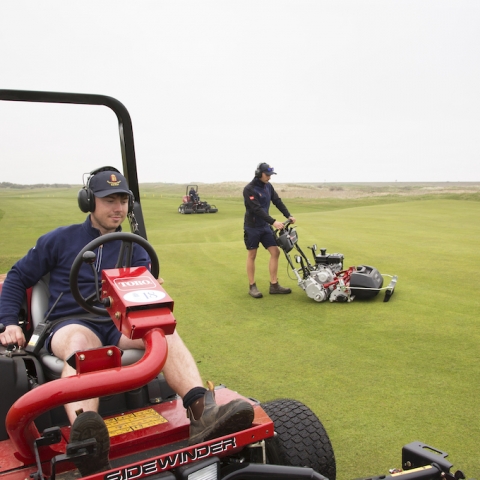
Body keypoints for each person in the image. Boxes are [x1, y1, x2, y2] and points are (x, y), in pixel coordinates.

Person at [0, 167, 254, 476]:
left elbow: (141, 293)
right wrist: (9, 322)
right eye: (109, 200)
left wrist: (153, 291)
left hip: (118, 321)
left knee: (163, 333)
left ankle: (201, 411)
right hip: (71, 321)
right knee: (84, 345)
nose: (117, 207)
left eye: (122, 200)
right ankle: (88, 440)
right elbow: (16, 277)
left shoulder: (133, 247)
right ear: (89, 201)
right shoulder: (60, 239)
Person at [243, 162, 296, 298]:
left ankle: (274, 285)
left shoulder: (268, 186)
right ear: (259, 174)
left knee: (275, 252)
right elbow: (256, 209)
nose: (269, 178)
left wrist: (288, 215)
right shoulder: (249, 189)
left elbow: (277, 201)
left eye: (270, 175)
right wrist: (273, 222)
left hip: (265, 226)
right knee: (252, 255)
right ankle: (252, 286)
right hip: (252, 227)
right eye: (267, 175)